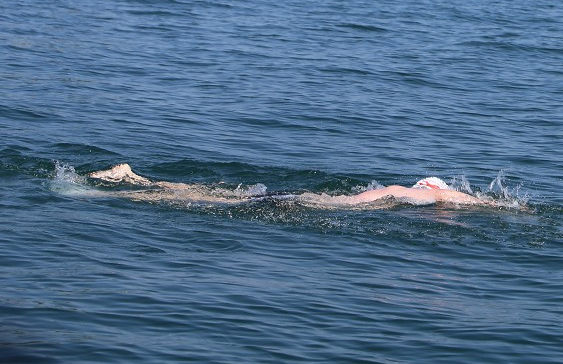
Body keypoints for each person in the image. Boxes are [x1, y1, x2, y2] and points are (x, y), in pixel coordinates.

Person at [88, 163, 495, 207]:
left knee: (217, 195)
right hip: (313, 203)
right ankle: (133, 185)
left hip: (310, 197)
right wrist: (507, 208)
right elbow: (452, 196)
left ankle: (135, 178)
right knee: (216, 204)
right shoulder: (420, 194)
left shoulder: (397, 190)